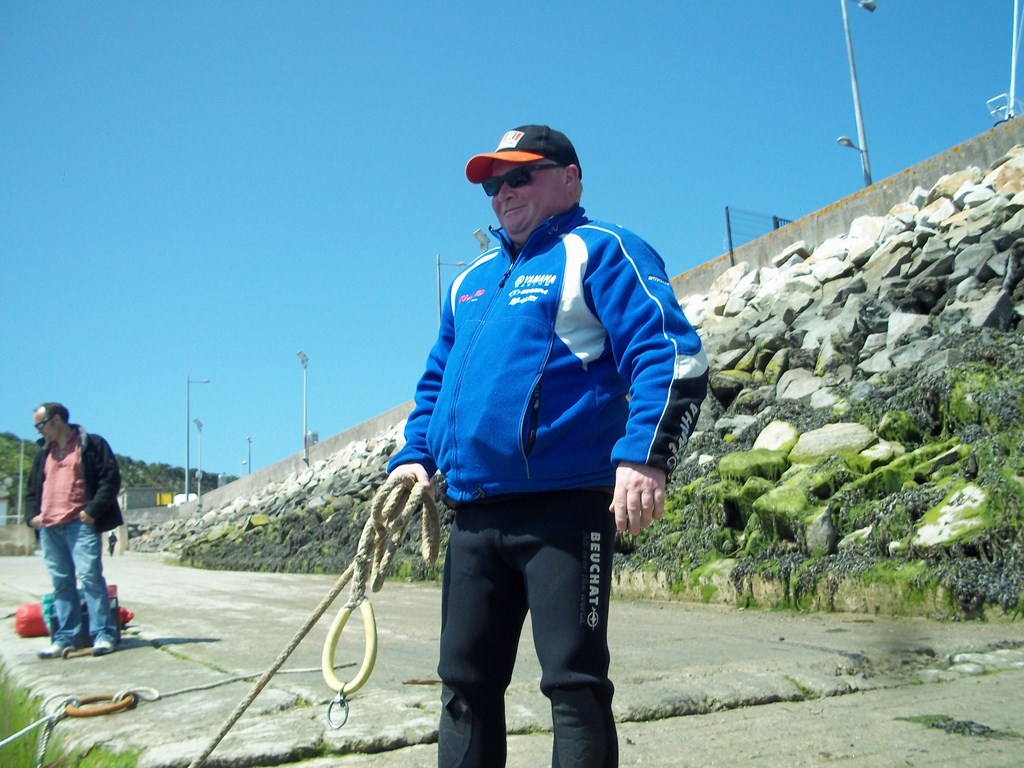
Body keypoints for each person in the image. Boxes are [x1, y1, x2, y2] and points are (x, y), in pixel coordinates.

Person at [387, 125, 709, 767]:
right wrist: (414, 458)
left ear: (569, 178)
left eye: (519, 176)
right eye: (492, 185)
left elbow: (672, 355)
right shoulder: (470, 282)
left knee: (574, 685)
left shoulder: (601, 250)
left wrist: (645, 456)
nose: (502, 193)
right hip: (473, 513)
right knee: (464, 686)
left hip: (564, 512)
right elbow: (435, 386)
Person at [24, 402, 123, 658]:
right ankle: (65, 638)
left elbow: (110, 479)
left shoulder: (91, 444)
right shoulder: (43, 453)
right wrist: (32, 517)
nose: (38, 431)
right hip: (50, 527)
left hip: (80, 524)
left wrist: (92, 512)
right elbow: (32, 490)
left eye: (40, 424)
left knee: (90, 577)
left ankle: (104, 635)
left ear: (56, 420)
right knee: (61, 582)